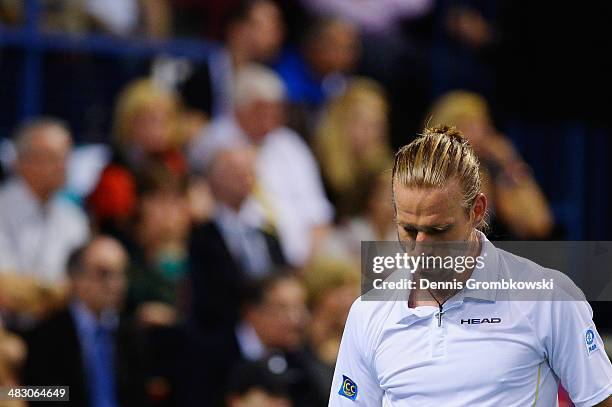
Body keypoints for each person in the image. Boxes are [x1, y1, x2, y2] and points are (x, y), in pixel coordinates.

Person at [329, 125, 612, 406]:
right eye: (409, 230)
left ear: (477, 211)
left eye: (438, 230)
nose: (421, 249)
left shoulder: (550, 297)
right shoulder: (368, 312)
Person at [189, 64, 333, 267]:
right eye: (260, 109)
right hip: (241, 250)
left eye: (275, 110)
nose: (269, 118)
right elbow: (198, 197)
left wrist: (310, 262)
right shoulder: (213, 141)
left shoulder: (291, 145)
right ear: (239, 108)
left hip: (303, 258)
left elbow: (318, 213)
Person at [23, 236, 146, 407]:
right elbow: (37, 394)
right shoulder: (46, 335)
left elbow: (139, 392)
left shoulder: (132, 332)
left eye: (122, 273)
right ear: (76, 277)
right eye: (104, 273)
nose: (116, 284)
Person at [427, 90, 554, 239]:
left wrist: (511, 162)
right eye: (467, 125)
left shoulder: (493, 172)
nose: (479, 133)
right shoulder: (430, 176)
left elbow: (540, 224)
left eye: (482, 124)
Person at [189, 146, 286, 332]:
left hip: (272, 322)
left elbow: (282, 273)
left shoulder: (267, 230)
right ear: (212, 179)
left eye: (249, 171)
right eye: (234, 172)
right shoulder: (200, 232)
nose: (244, 178)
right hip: (222, 326)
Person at [0, 118, 90, 285]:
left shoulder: (74, 218)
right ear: (23, 162)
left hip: (58, 310)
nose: (63, 166)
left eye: (66, 157)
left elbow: (80, 285)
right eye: (54, 158)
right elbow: (5, 287)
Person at [178, 0, 285, 119]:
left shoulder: (267, 78)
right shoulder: (200, 69)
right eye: (268, 26)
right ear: (238, 28)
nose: (277, 33)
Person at [313, 78, 393, 219]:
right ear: (339, 123)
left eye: (376, 125)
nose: (369, 132)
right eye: (361, 123)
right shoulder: (318, 165)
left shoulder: (382, 171)